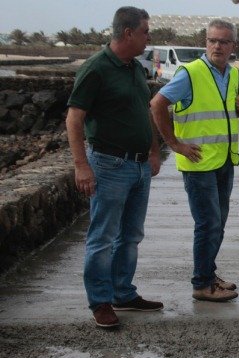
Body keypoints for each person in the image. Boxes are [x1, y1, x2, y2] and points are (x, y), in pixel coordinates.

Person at [66, 7, 163, 329]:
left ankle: (123, 292)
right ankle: (101, 301)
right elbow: (74, 118)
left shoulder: (134, 68)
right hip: (109, 165)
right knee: (103, 237)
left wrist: (152, 151)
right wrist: (82, 165)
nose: (149, 37)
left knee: (131, 235)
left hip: (137, 166)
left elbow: (144, 112)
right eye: (146, 32)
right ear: (128, 33)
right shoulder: (96, 69)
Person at [150, 19, 239, 302]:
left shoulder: (231, 74)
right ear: (206, 43)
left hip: (223, 160)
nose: (218, 46)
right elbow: (157, 104)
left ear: (233, 46)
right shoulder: (190, 73)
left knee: (218, 223)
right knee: (207, 224)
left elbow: (226, 114)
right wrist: (173, 144)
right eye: (212, 41)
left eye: (224, 41)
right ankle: (201, 284)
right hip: (198, 163)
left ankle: (208, 273)